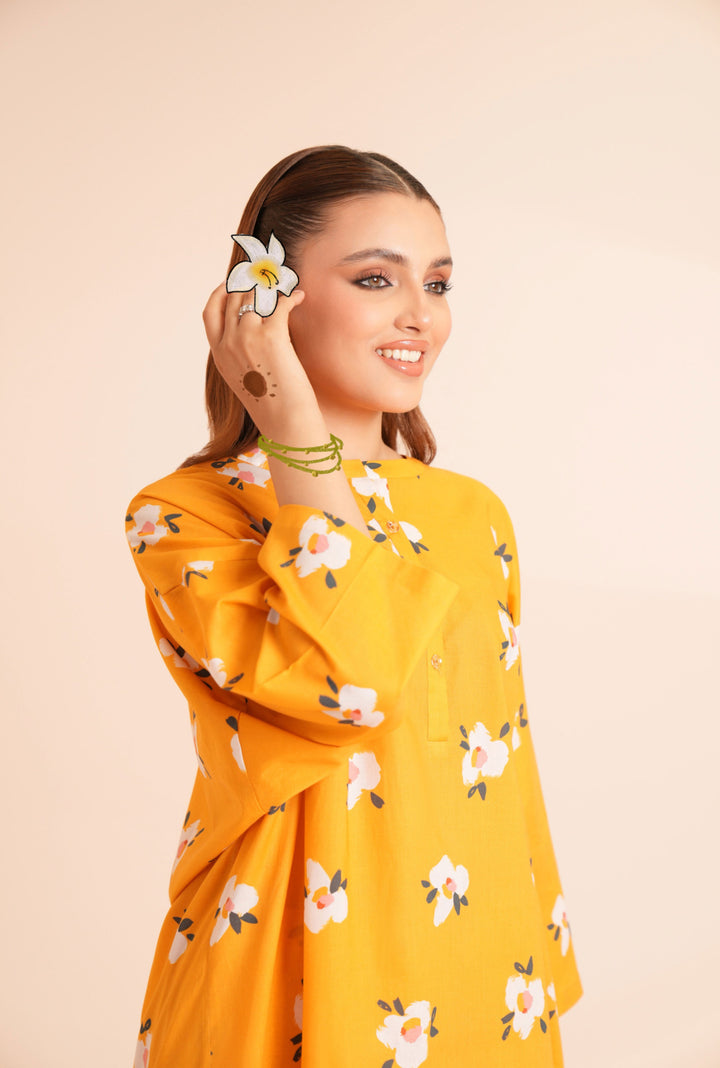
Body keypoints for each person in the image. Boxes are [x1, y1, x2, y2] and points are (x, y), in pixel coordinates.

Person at [125, 145, 582, 1067]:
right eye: (377, 279)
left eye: (438, 284)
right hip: (282, 974)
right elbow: (356, 683)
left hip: (481, 970)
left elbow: (510, 779)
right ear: (269, 300)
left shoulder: (472, 516)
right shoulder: (186, 516)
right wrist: (293, 427)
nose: (422, 315)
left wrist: (533, 968)